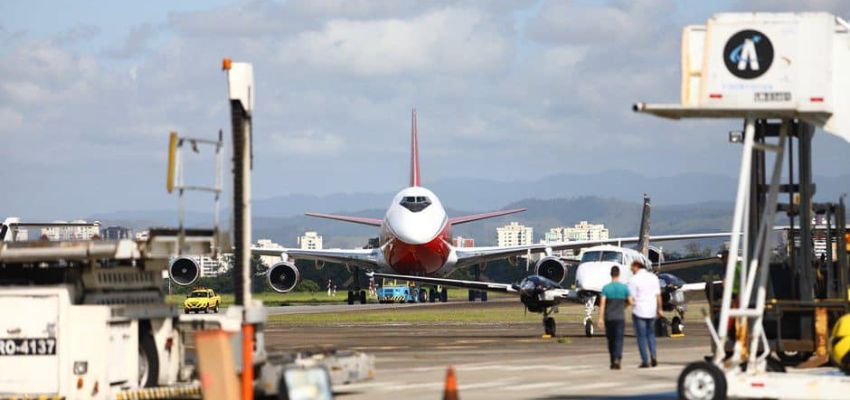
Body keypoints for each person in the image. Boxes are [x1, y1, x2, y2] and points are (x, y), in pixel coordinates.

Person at [628, 260, 662, 368]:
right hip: (652, 310)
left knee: (641, 336)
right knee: (651, 334)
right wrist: (660, 309)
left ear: (636, 266)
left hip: (639, 311)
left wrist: (632, 305)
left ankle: (645, 361)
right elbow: (658, 296)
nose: (631, 270)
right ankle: (653, 356)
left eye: (632, 268)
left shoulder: (633, 279)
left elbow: (631, 298)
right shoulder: (653, 277)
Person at [598, 266, 631, 370]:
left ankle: (613, 359)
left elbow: (602, 304)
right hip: (620, 317)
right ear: (619, 274)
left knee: (611, 339)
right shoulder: (624, 288)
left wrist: (600, 318)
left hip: (609, 318)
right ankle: (617, 358)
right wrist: (624, 306)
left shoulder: (606, 288)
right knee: (619, 339)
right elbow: (630, 301)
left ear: (610, 274)